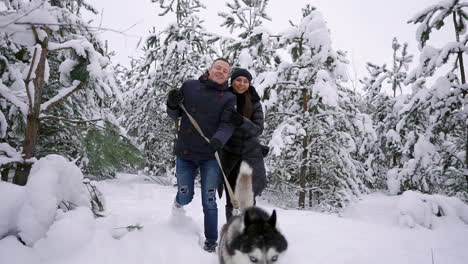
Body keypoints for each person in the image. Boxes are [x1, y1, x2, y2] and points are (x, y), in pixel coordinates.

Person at [166, 58, 236, 253]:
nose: (220, 72)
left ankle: (211, 242)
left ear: (227, 76)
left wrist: (219, 140)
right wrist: (171, 105)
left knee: (210, 200)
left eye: (225, 70)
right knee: (186, 195)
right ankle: (178, 205)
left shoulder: (229, 98)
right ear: (209, 69)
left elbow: (227, 124)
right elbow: (175, 115)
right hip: (186, 152)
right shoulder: (189, 86)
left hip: (210, 156)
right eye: (218, 68)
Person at [219, 68, 267, 221]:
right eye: (238, 80)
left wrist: (241, 121)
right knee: (231, 198)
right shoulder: (224, 98)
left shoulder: (254, 102)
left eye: (245, 81)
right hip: (229, 156)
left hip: (250, 156)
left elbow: (258, 129)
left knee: (248, 198)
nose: (241, 84)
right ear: (232, 81)